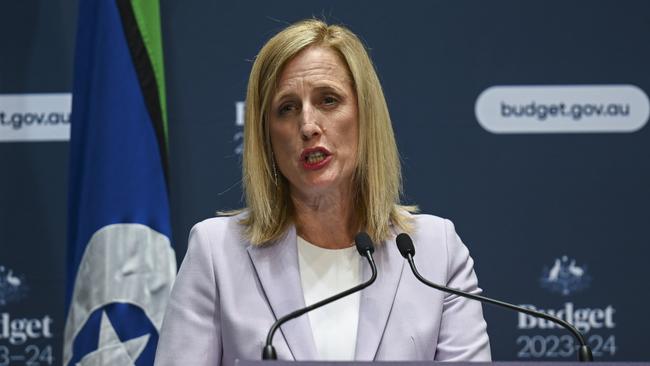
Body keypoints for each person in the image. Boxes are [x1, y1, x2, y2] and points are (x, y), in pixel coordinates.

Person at [154, 19, 490, 365]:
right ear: (266, 136)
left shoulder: (434, 252)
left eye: (328, 100)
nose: (308, 126)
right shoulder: (217, 253)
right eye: (287, 108)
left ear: (365, 116)